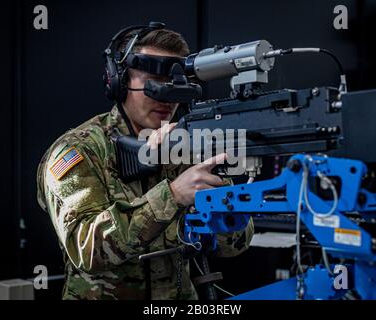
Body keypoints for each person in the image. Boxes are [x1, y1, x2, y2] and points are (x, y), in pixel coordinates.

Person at [36, 23, 254, 300]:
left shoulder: (187, 145)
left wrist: (222, 204)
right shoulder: (81, 149)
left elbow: (235, 245)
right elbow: (86, 249)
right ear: (119, 80)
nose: (166, 95)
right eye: (153, 81)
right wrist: (173, 195)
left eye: (175, 83)